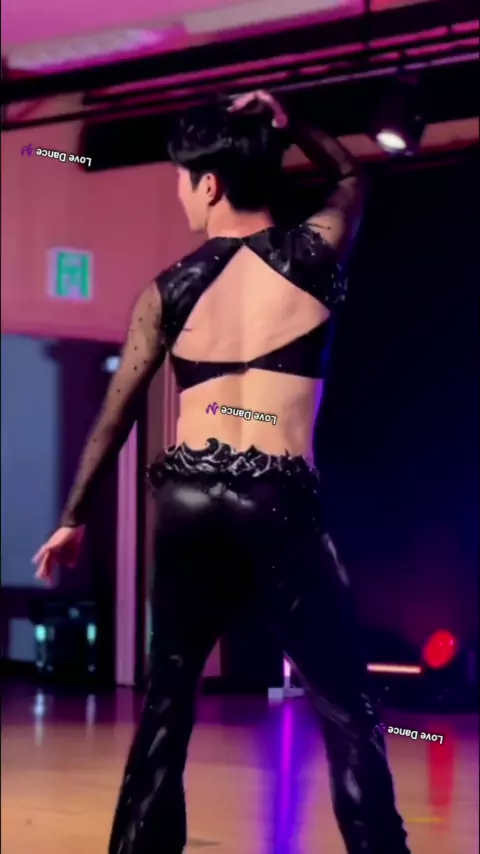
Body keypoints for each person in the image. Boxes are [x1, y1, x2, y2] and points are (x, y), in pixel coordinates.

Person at [33, 91, 411, 854]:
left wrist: (72, 518)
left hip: (187, 500)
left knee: (166, 706)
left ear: (209, 184)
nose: (180, 194)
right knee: (348, 710)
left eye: (182, 180)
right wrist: (293, 119)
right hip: (277, 498)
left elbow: (116, 415)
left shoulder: (167, 289)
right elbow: (350, 175)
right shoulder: (313, 254)